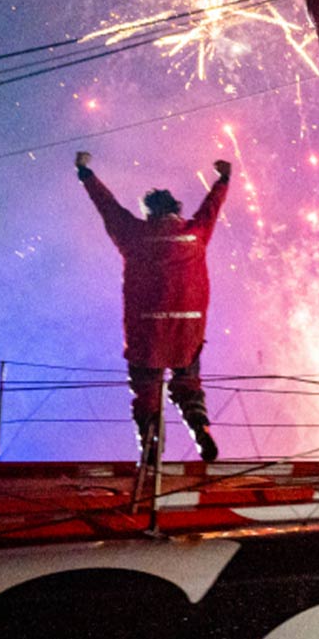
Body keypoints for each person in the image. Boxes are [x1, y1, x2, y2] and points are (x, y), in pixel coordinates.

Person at [77, 151, 231, 464]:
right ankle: (201, 427)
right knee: (188, 384)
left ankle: (149, 443)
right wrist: (223, 179)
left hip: (146, 332)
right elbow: (211, 209)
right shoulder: (195, 234)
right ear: (176, 209)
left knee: (146, 390)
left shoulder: (133, 235)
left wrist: (86, 174)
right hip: (187, 330)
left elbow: (108, 207)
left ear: (149, 213)